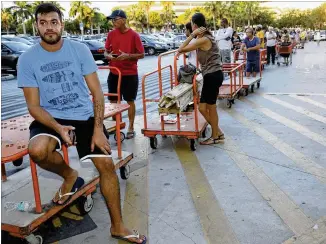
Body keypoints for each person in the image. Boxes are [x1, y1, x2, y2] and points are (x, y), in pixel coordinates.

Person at [17, 4, 146, 244]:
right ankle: (69, 175)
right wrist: (58, 128)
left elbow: (97, 93)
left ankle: (117, 227)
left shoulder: (79, 50)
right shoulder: (27, 59)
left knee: (106, 167)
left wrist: (98, 129)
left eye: (53, 22)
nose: (49, 27)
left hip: (84, 116)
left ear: (61, 24)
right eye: (43, 22)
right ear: (37, 26)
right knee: (37, 151)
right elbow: (34, 106)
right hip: (50, 116)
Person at [177, 13, 224, 145]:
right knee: (202, 108)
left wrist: (192, 35)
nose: (191, 27)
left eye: (191, 24)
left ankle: (216, 136)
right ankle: (218, 132)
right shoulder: (204, 37)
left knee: (211, 107)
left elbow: (181, 49)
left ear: (195, 25)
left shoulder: (204, 39)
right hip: (210, 75)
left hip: (213, 75)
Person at [104, 10, 145, 139]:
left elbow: (142, 54)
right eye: (112, 20)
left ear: (123, 20)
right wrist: (108, 55)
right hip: (114, 72)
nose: (113, 22)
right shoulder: (111, 34)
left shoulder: (134, 35)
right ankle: (116, 125)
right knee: (113, 101)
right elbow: (106, 51)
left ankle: (131, 127)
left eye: (115, 19)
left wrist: (128, 56)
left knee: (129, 101)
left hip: (129, 73)